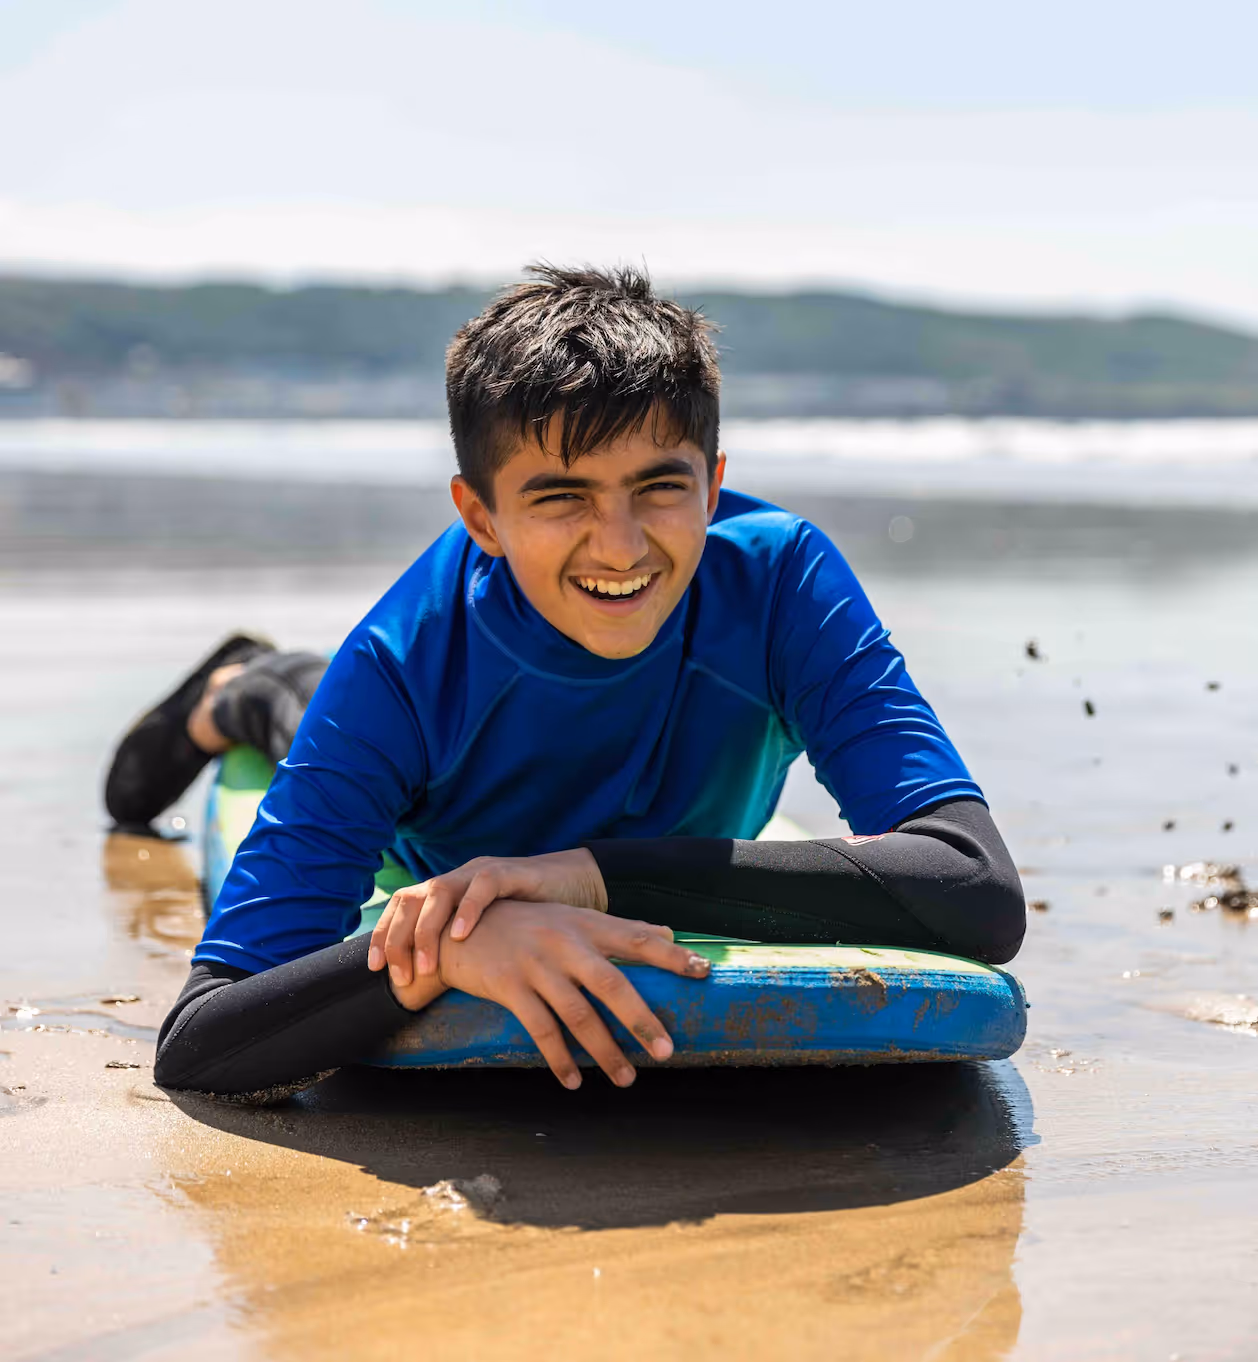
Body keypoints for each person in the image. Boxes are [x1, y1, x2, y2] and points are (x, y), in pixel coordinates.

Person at [109, 265, 1024, 1104]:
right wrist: (446, 948)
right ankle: (243, 679)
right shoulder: (401, 667)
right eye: (561, 497)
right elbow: (201, 1041)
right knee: (286, 718)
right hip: (415, 837)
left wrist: (588, 882)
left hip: (554, 843)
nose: (622, 546)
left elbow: (974, 884)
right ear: (482, 516)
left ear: (713, 485)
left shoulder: (779, 582)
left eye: (659, 489)